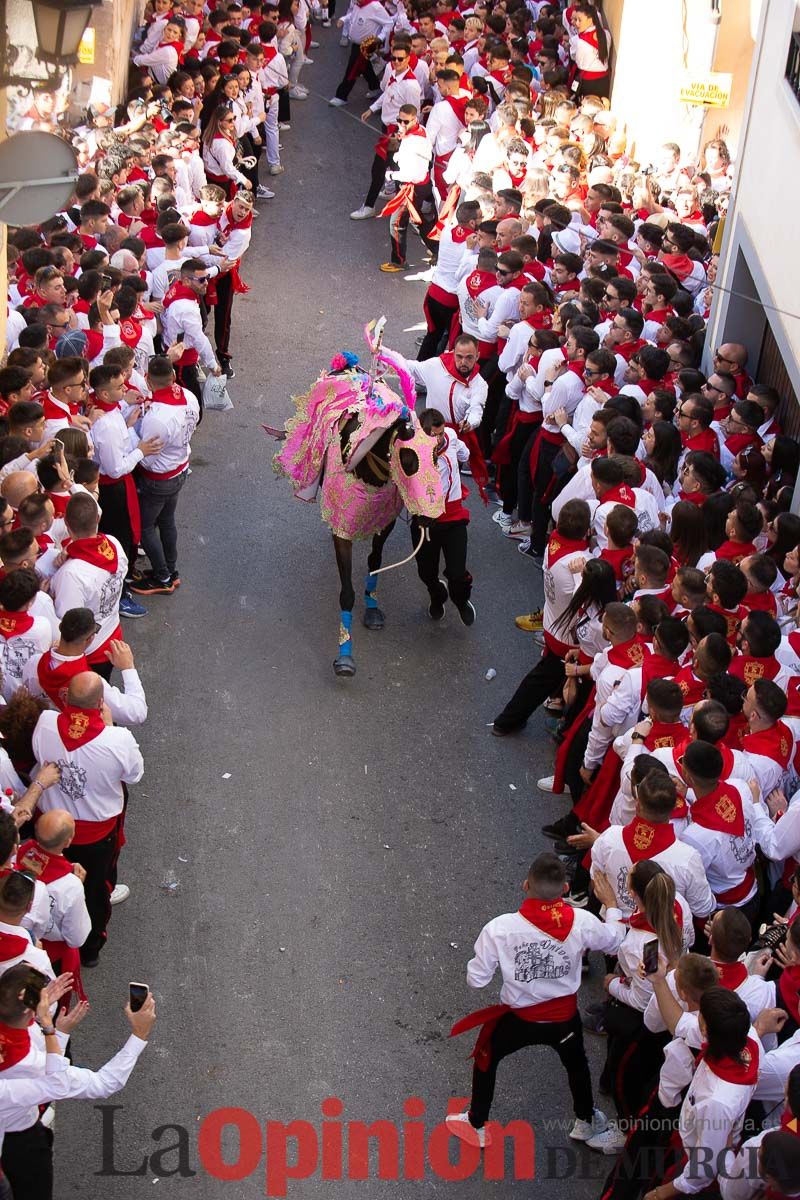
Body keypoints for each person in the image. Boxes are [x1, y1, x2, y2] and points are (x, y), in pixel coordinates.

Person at [447, 852, 625, 1148]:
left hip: (520, 1019)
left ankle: (477, 1122)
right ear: (566, 889)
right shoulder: (582, 921)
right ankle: (585, 1121)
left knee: (486, 1056)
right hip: (565, 1021)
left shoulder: (499, 929)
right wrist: (613, 908)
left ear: (525, 884)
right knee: (577, 1065)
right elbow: (614, 940)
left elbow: (476, 981)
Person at [0, 963, 156, 1200]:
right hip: (19, 1143)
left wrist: (55, 1030)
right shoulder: (32, 1066)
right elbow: (103, 1083)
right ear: (31, 1011)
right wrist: (139, 1034)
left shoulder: (16, 1037)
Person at [31, 670, 144, 968]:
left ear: (68, 698)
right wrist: (109, 729)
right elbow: (134, 774)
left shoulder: (45, 724)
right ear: (101, 703)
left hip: (52, 828)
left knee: (46, 885)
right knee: (95, 890)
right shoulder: (118, 739)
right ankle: (90, 950)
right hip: (96, 836)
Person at [130, 356, 199, 595]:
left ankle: (163, 577)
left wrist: (131, 431)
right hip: (179, 469)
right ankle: (170, 569)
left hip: (158, 479)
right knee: (167, 521)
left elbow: (145, 456)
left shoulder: (157, 418)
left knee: (146, 526)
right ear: (173, 376)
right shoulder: (188, 396)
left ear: (147, 380)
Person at [50, 493, 128, 679]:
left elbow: (68, 622)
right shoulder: (113, 544)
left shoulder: (71, 573)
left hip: (89, 649)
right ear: (98, 518)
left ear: (67, 526)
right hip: (112, 631)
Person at [410, 409, 474, 625]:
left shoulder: (453, 438)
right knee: (426, 573)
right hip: (425, 521)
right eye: (433, 435)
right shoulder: (411, 452)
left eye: (440, 433)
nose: (438, 440)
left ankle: (461, 600)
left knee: (457, 573)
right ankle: (437, 595)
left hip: (454, 519)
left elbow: (465, 455)